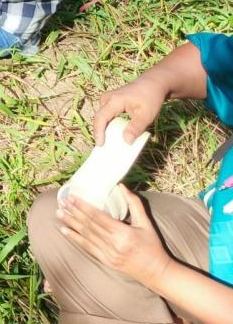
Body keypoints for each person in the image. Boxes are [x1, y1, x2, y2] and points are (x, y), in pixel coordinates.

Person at [28, 35, 233, 324]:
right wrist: (155, 83)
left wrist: (157, 271)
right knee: (55, 215)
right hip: (209, 224)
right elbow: (211, 63)